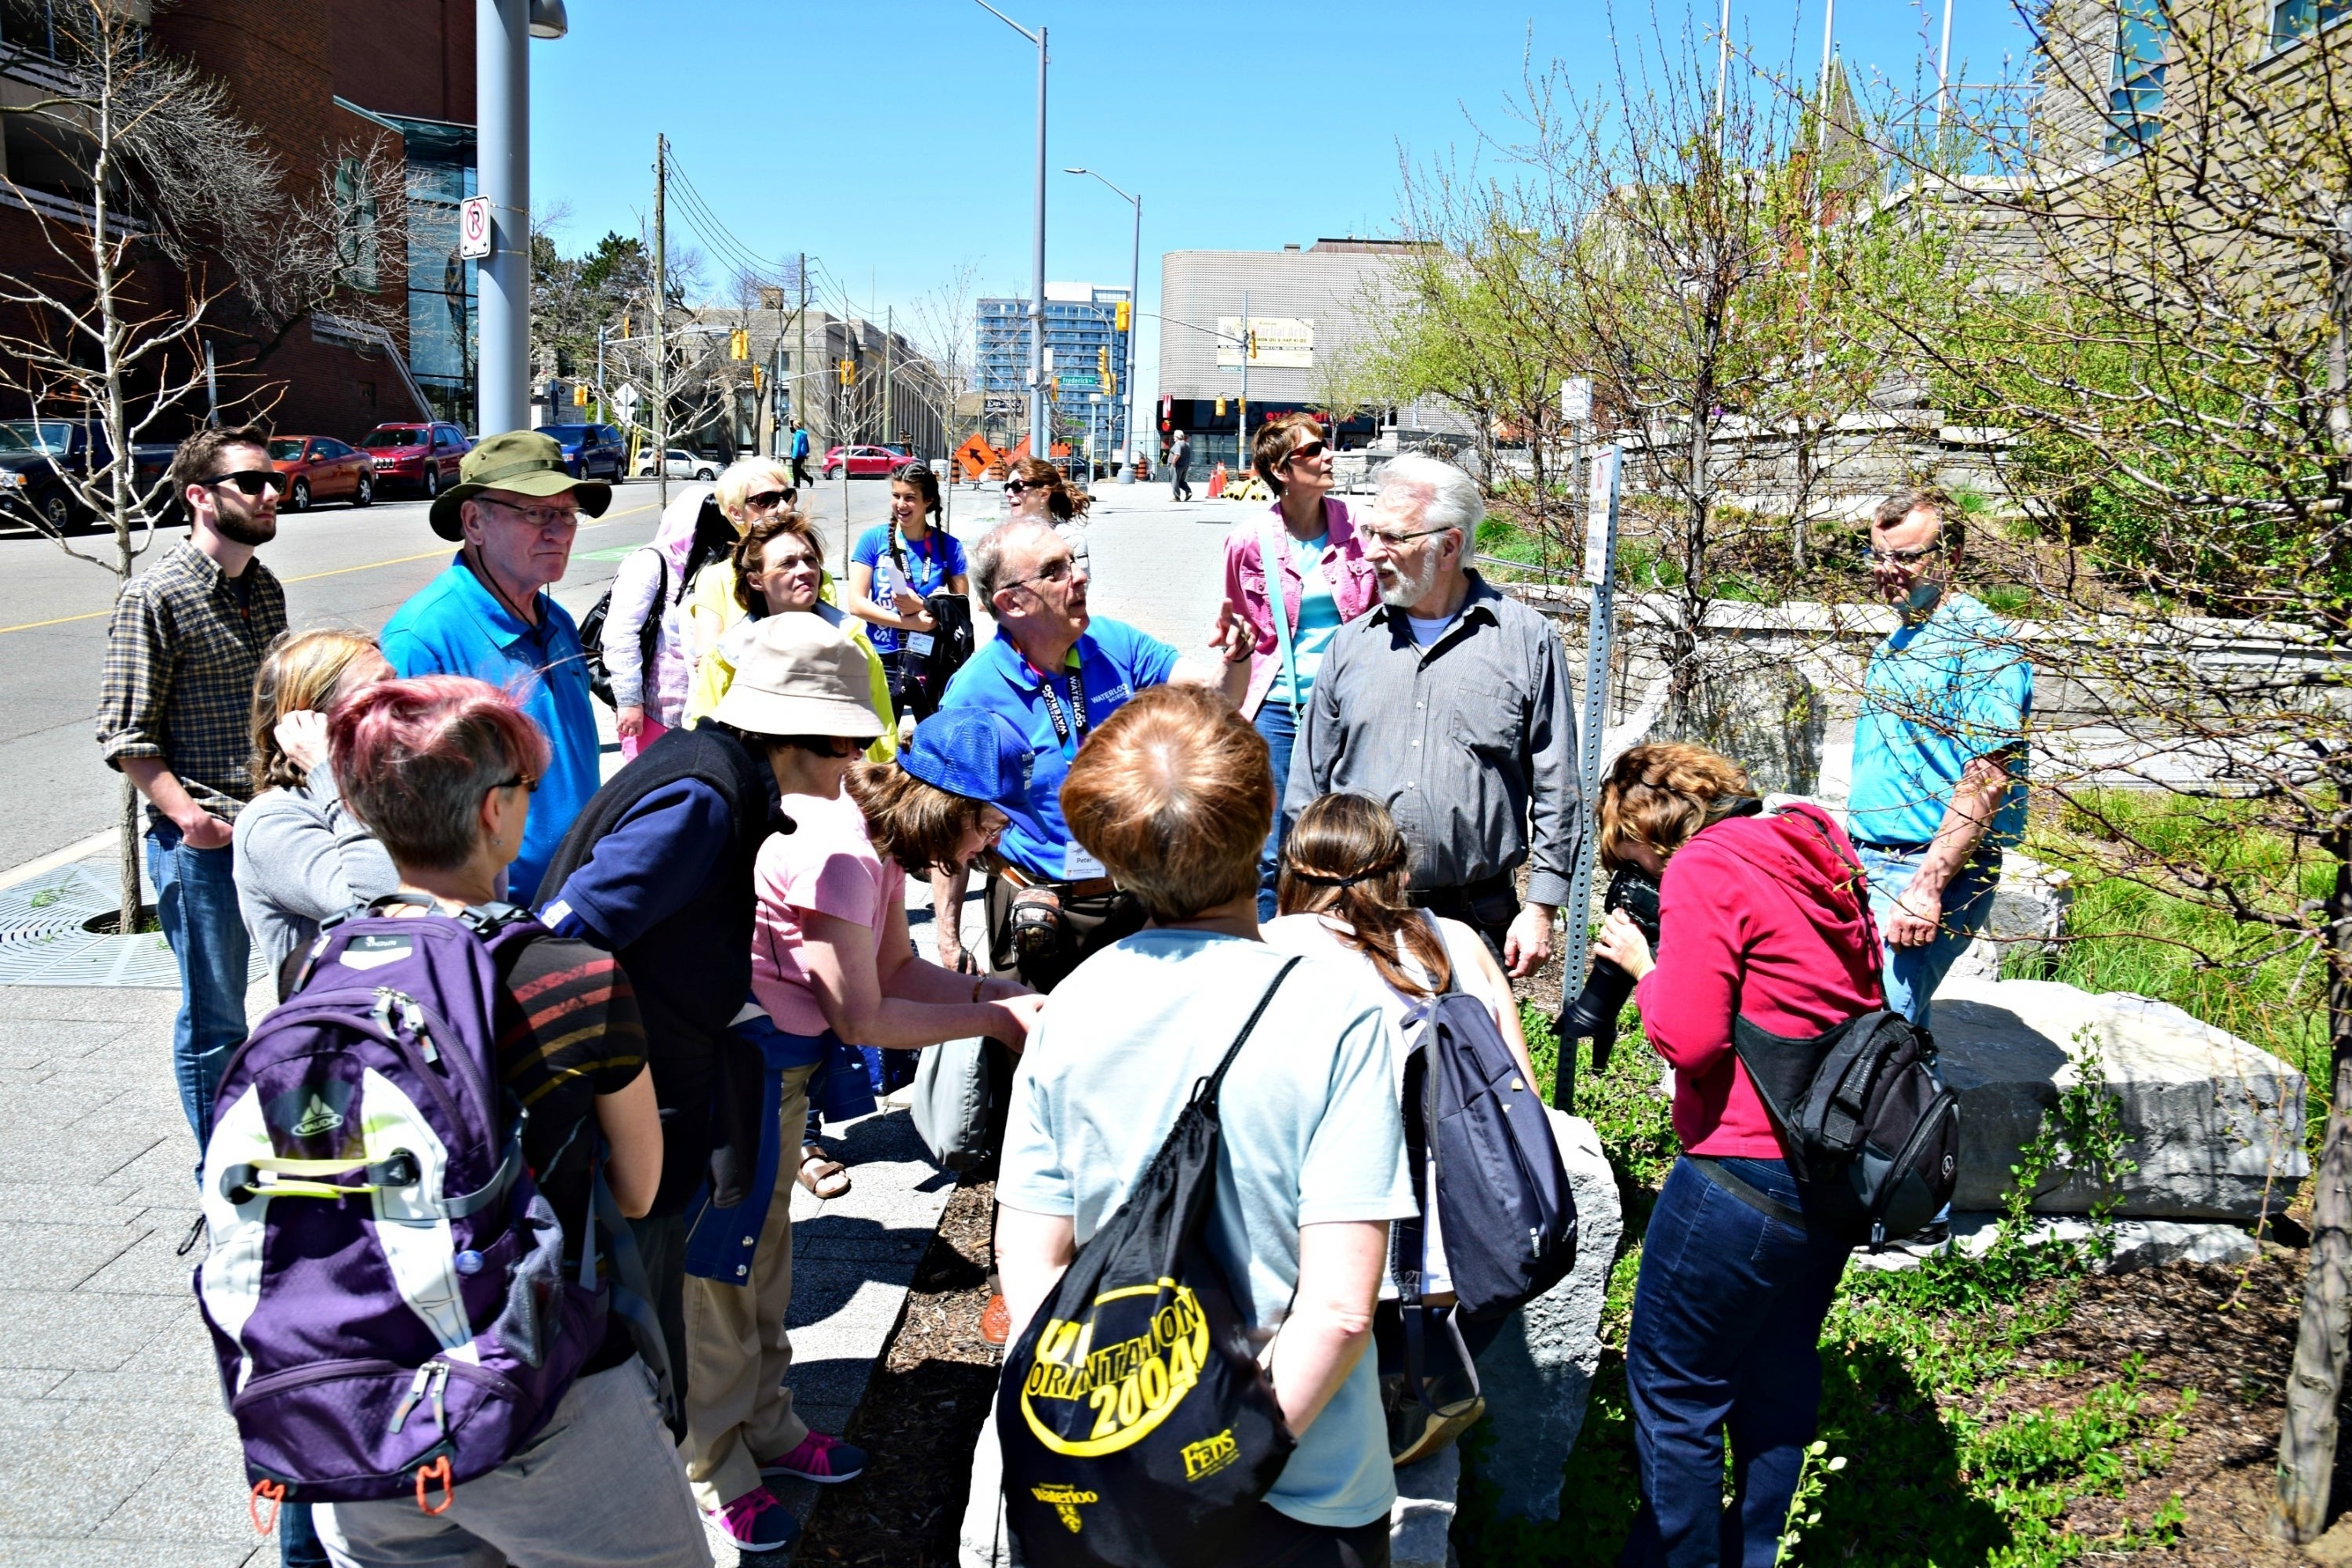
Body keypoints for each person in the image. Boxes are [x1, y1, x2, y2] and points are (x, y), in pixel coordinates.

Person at [996, 684, 1414, 1566]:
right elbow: (1339, 1309)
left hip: (1110, 1470)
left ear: (1109, 855)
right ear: (1267, 826)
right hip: (1301, 1481)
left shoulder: (1071, 1006)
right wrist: (1222, 1462)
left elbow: (1033, 1258)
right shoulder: (1339, 1007)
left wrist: (1106, 1430)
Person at [310, 676, 707, 1568]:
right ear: (495, 808)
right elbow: (639, 1188)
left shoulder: (321, 960)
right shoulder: (569, 972)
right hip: (538, 1398)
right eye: (527, 788)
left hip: (360, 1405)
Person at [681, 660, 1046, 1552]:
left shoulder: (873, 842)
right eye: (989, 822)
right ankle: (709, 1457)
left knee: (769, 1259)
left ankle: (765, 1418)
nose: (991, 846)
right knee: (724, 1274)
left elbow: (894, 971)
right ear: (948, 807)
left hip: (784, 1069)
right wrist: (997, 1018)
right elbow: (866, 1013)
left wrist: (990, 988)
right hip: (744, 1072)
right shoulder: (843, 853)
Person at [1586, 742, 1878, 1568]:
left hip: (1741, 1169)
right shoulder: (1813, 834)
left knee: (1674, 1390)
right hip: (1835, 1162)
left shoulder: (1704, 866)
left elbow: (1690, 1034)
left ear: (1652, 829)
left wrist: (1647, 964)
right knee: (1777, 1376)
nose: (1635, 873)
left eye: (1631, 855)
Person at [1261, 790, 1540, 1465]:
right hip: (1469, 1263)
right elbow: (1521, 1095)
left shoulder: (1270, 950)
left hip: (1330, 1267)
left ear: (1293, 873)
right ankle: (1417, 1393)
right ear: (1402, 873)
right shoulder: (1458, 942)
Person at [1288, 452, 1576, 979]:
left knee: (1473, 1059)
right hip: (1361, 912)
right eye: (1370, 533)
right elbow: (1307, 789)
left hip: (1478, 916)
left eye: (1392, 538)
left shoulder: (1525, 640)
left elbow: (1558, 788)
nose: (1371, 553)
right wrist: (1307, 899)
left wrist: (1541, 908)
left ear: (1449, 546)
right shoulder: (1350, 646)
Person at [97, 423, 289, 1155]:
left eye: (272, 480)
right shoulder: (153, 597)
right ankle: (222, 1179)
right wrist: (189, 821)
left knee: (294, 1001)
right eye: (253, 482)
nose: (273, 492)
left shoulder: (262, 588)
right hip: (201, 847)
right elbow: (125, 734)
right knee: (215, 1019)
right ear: (200, 498)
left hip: (272, 830)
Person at [379, 429, 610, 902]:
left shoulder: (558, 621)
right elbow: (399, 807)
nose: (558, 531)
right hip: (491, 917)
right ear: (474, 522)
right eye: (535, 512)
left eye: (566, 514)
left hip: (578, 896)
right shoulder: (422, 639)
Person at [1848, 486, 2032, 1030]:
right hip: (1872, 863)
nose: (1888, 570)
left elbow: (1987, 775)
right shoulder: (1901, 639)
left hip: (1926, 870)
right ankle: (1924, 1115)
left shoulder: (1981, 646)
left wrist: (1927, 887)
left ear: (1950, 557)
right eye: (1878, 555)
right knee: (1883, 1041)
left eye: (1905, 557)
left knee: (1874, 1040)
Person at [1226, 415, 1381, 917]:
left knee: (1350, 836)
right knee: (1272, 849)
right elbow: (1239, 629)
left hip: (1350, 702)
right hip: (1278, 708)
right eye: (1314, 451)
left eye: (1326, 446)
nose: (1329, 455)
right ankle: (1274, 949)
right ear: (1282, 469)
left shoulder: (1358, 530)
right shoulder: (1251, 541)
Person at [233, 630, 398, 978]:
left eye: (395, 681)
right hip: (359, 1026)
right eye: (376, 691)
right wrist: (333, 774)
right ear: (311, 721)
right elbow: (382, 909)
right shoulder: (273, 821)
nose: (401, 698)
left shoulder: (394, 788)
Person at [681, 509, 896, 761]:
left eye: (810, 559)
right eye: (787, 563)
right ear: (755, 580)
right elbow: (707, 738)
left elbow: (882, 724)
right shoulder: (729, 656)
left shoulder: (852, 639)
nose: (804, 570)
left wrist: (883, 780)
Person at [605, 485, 737, 760]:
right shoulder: (651, 562)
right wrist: (629, 702)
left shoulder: (718, 566)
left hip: (705, 711)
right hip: (656, 713)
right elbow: (621, 635)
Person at [844, 463, 970, 738]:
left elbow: (959, 608)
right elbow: (856, 603)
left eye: (910, 497)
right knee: (877, 744)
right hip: (882, 657)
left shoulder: (949, 547)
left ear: (929, 501)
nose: (901, 504)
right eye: (896, 496)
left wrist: (923, 608)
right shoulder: (873, 540)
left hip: (929, 659)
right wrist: (910, 622)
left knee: (933, 742)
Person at [1169, 427, 1193, 502]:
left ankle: (1176, 497)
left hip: (1177, 466)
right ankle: (1188, 491)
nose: (1173, 438)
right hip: (1184, 466)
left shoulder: (1178, 444)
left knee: (1175, 481)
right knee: (1181, 481)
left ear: (1177, 437)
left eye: (1174, 436)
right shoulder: (1187, 445)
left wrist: (1173, 462)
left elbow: (1177, 454)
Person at [789, 423, 812, 489]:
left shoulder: (798, 434)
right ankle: (799, 483)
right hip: (802, 454)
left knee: (796, 470)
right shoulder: (803, 434)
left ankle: (802, 482)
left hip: (797, 455)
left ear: (796, 426)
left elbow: (796, 445)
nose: (793, 427)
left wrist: (794, 455)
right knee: (797, 469)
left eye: (793, 425)